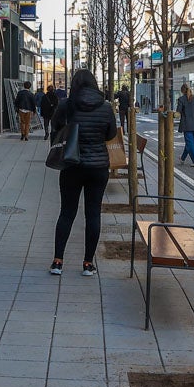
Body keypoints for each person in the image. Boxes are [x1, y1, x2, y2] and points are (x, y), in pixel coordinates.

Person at [48, 69, 117, 277]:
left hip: (72, 165)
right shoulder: (106, 107)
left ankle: (58, 262)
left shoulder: (66, 105)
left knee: (67, 212)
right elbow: (111, 134)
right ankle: (88, 263)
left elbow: (56, 128)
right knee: (93, 214)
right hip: (98, 167)